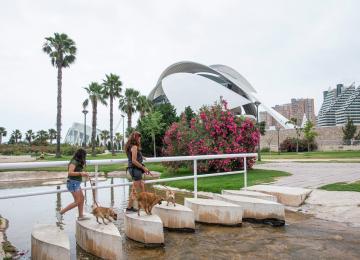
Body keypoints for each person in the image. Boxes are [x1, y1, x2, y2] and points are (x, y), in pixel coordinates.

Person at [56, 148, 90, 222]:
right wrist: (81, 173)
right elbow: (70, 173)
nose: (85, 157)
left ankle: (80, 215)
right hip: (72, 183)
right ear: (81, 155)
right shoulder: (74, 162)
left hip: (76, 183)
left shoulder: (78, 162)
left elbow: (77, 171)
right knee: (77, 201)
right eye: (84, 156)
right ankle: (60, 213)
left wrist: (83, 173)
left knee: (82, 198)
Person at [125, 131, 151, 212]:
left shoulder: (131, 146)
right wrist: (144, 168)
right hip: (135, 170)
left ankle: (134, 206)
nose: (140, 139)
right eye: (139, 138)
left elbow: (134, 155)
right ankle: (130, 207)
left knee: (139, 186)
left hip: (133, 169)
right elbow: (133, 160)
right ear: (136, 138)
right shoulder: (134, 147)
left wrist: (141, 156)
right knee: (134, 189)